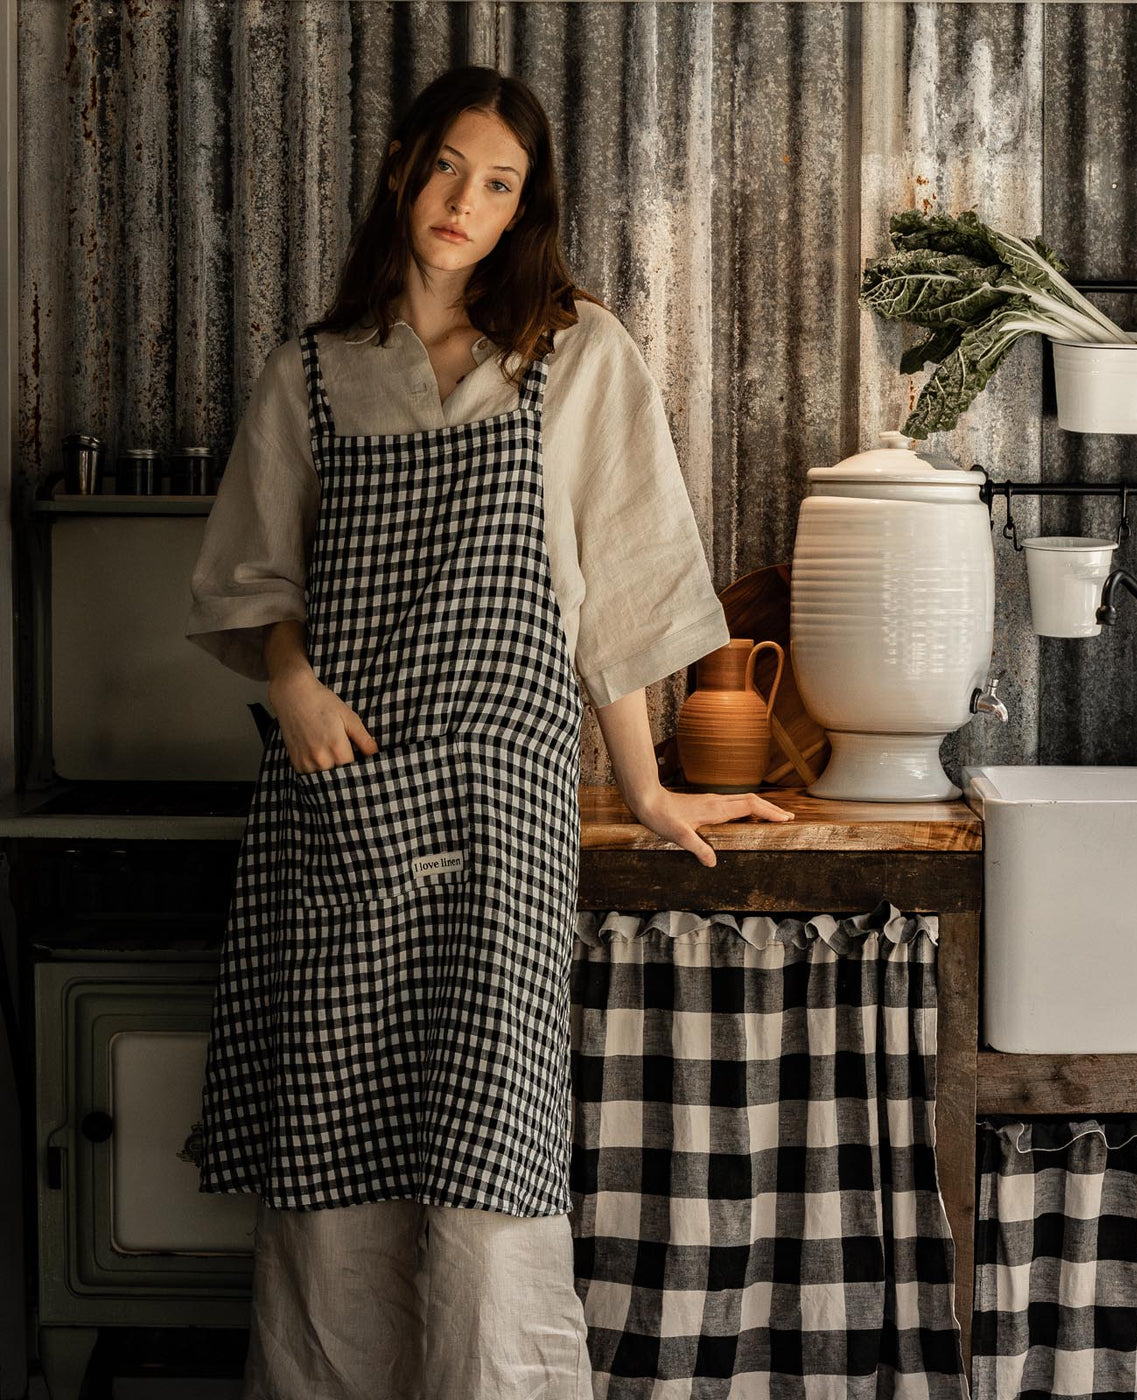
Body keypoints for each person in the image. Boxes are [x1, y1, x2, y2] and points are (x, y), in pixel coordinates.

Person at [185, 63, 794, 1400]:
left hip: (504, 826)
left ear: (529, 208)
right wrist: (288, 687)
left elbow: (618, 599)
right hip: (337, 810)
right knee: (332, 1160)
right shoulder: (318, 371)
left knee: (488, 1166)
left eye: (502, 183)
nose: (468, 201)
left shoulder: (577, 354)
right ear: (406, 167)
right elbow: (249, 588)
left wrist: (645, 791)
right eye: (451, 167)